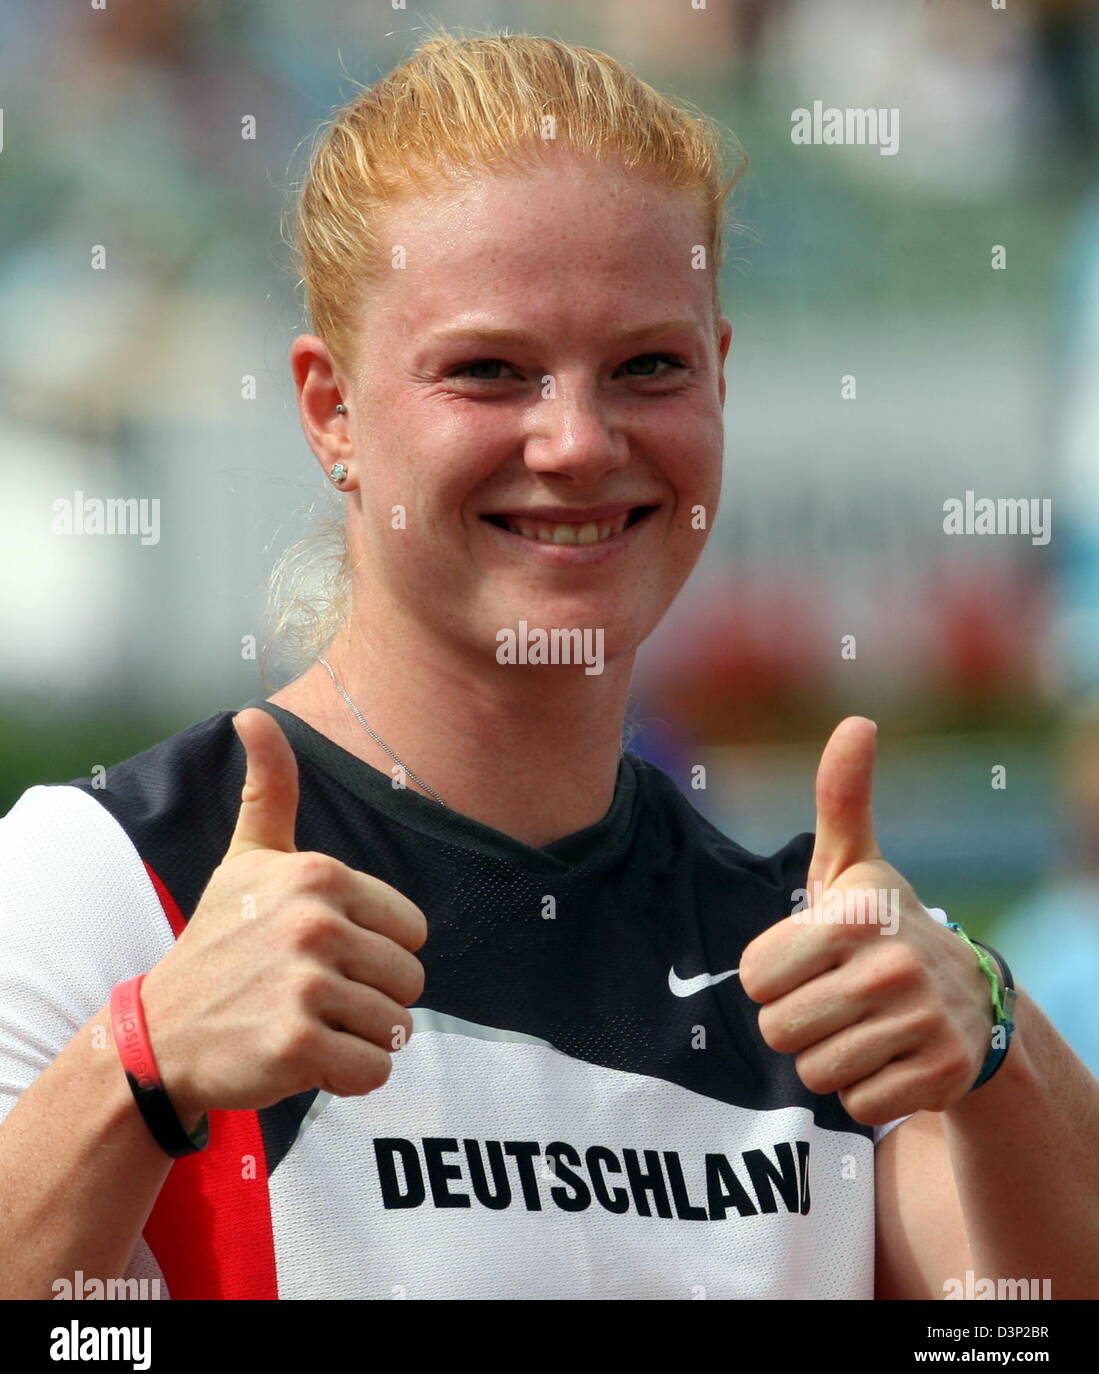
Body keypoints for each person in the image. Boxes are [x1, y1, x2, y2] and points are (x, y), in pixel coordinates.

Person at [1, 26, 1096, 1302]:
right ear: (329, 411)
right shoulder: (108, 884)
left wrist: (997, 1037)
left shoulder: (808, 964)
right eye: (489, 372)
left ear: (720, 382)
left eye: (647, 367)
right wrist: (138, 1071)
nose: (577, 441)